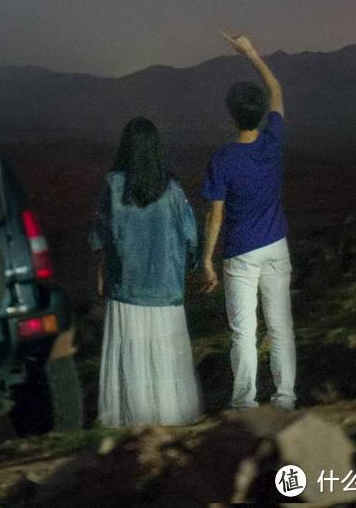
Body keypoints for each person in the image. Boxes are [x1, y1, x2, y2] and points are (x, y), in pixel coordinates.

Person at [201, 31, 296, 411]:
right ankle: (285, 397)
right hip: (276, 244)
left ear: (231, 113)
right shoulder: (273, 141)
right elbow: (276, 88)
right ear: (261, 114)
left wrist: (206, 258)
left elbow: (215, 214)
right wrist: (251, 53)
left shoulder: (223, 159)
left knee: (244, 331)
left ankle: (244, 401)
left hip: (240, 251)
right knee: (280, 325)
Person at [89, 117, 202, 426]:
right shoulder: (173, 189)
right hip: (166, 290)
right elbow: (190, 236)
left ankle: (132, 420)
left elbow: (102, 236)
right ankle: (169, 417)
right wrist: (190, 266)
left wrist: (100, 273)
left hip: (126, 287)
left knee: (131, 354)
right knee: (166, 356)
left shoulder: (113, 185)